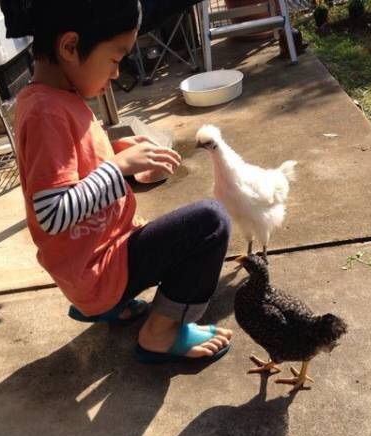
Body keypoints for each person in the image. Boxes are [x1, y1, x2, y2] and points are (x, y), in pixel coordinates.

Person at [14, 0, 232, 363]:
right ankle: (161, 332)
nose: (116, 73)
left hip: (95, 265)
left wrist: (118, 154)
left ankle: (106, 306)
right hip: (100, 270)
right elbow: (51, 213)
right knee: (211, 223)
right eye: (115, 59)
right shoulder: (45, 112)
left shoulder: (54, 99)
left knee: (181, 229)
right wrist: (117, 168)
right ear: (70, 47)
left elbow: (71, 165)